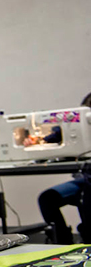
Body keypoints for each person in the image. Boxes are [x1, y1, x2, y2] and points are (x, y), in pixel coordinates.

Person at [37, 92, 91, 244]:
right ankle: (63, 243)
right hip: (84, 177)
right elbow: (55, 136)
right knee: (48, 198)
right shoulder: (77, 123)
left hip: (87, 182)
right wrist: (39, 141)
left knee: (87, 195)